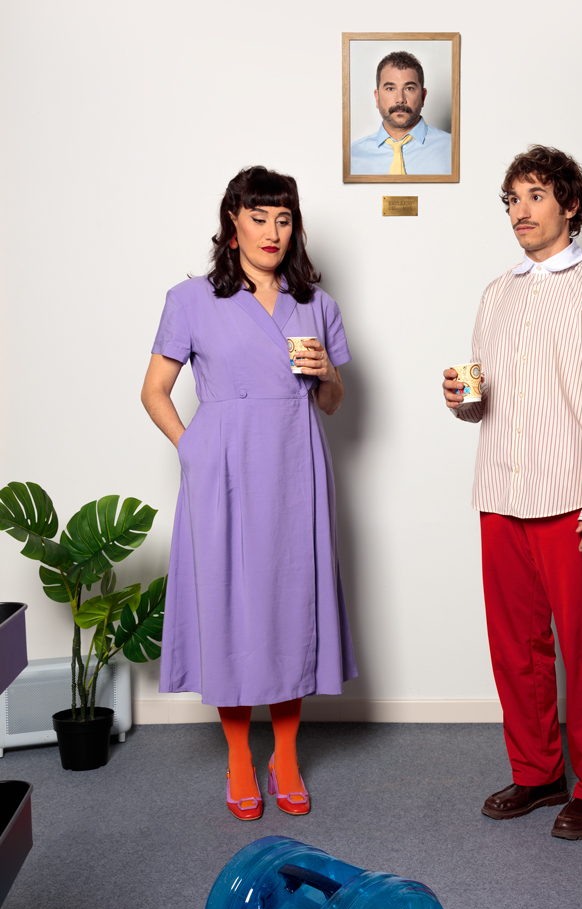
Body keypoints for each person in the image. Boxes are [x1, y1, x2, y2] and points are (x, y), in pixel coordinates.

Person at [442, 146, 582, 840]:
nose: (519, 212)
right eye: (511, 200)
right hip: (500, 493)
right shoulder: (496, 294)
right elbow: (483, 403)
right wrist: (461, 400)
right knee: (516, 648)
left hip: (574, 501)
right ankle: (537, 772)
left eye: (534, 196)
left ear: (570, 204)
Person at [141, 166, 356, 820]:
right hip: (223, 470)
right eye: (259, 217)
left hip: (295, 463)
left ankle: (285, 755)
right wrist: (192, 447)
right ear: (232, 224)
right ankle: (239, 756)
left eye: (283, 219)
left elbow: (332, 402)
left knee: (292, 605)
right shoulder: (191, 299)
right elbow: (154, 390)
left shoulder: (315, 304)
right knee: (230, 606)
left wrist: (326, 373)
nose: (272, 231)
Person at [350, 51, 452, 175]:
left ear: (423, 97)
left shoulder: (452, 149)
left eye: (409, 88)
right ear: (377, 98)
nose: (400, 99)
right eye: (390, 89)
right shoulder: (352, 156)